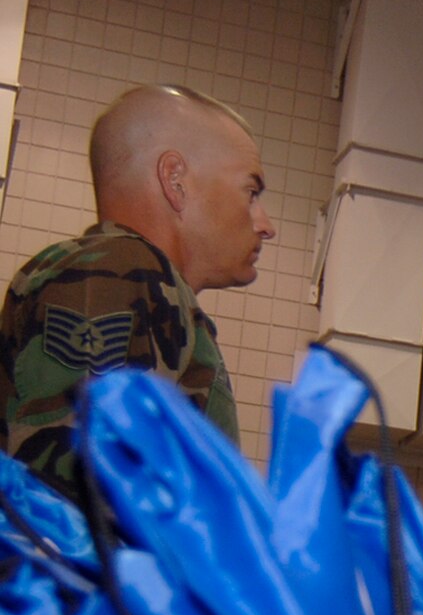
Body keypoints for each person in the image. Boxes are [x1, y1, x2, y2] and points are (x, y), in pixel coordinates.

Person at [0, 84, 275, 503]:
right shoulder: (118, 270)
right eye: (251, 192)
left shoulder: (147, 284)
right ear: (175, 180)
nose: (265, 224)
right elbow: (77, 494)